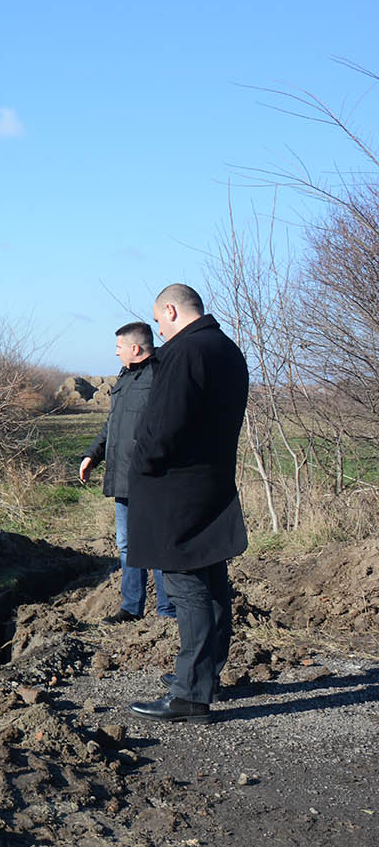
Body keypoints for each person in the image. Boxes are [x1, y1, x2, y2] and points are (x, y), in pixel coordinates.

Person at [126, 283, 249, 724]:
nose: (158, 329)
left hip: (176, 489)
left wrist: (139, 467)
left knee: (186, 587)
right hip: (213, 482)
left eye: (158, 320)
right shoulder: (227, 348)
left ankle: (190, 697)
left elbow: (161, 428)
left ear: (172, 311)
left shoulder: (185, 352)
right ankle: (204, 675)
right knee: (212, 579)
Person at [79, 322, 173, 624]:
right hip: (122, 478)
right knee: (127, 544)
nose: (115, 352)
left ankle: (166, 612)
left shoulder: (161, 375)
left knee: (157, 545)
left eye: (119, 347)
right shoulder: (125, 376)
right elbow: (113, 424)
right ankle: (131, 608)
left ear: (135, 349)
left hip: (151, 477)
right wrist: (92, 455)